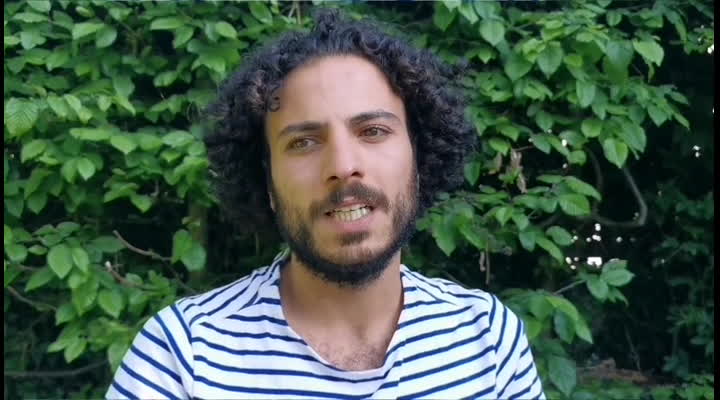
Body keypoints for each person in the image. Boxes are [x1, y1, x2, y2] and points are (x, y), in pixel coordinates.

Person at [107, 9, 545, 400]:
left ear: (420, 156)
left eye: (373, 131)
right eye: (303, 142)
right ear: (266, 181)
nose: (343, 166)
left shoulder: (487, 338)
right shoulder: (181, 358)